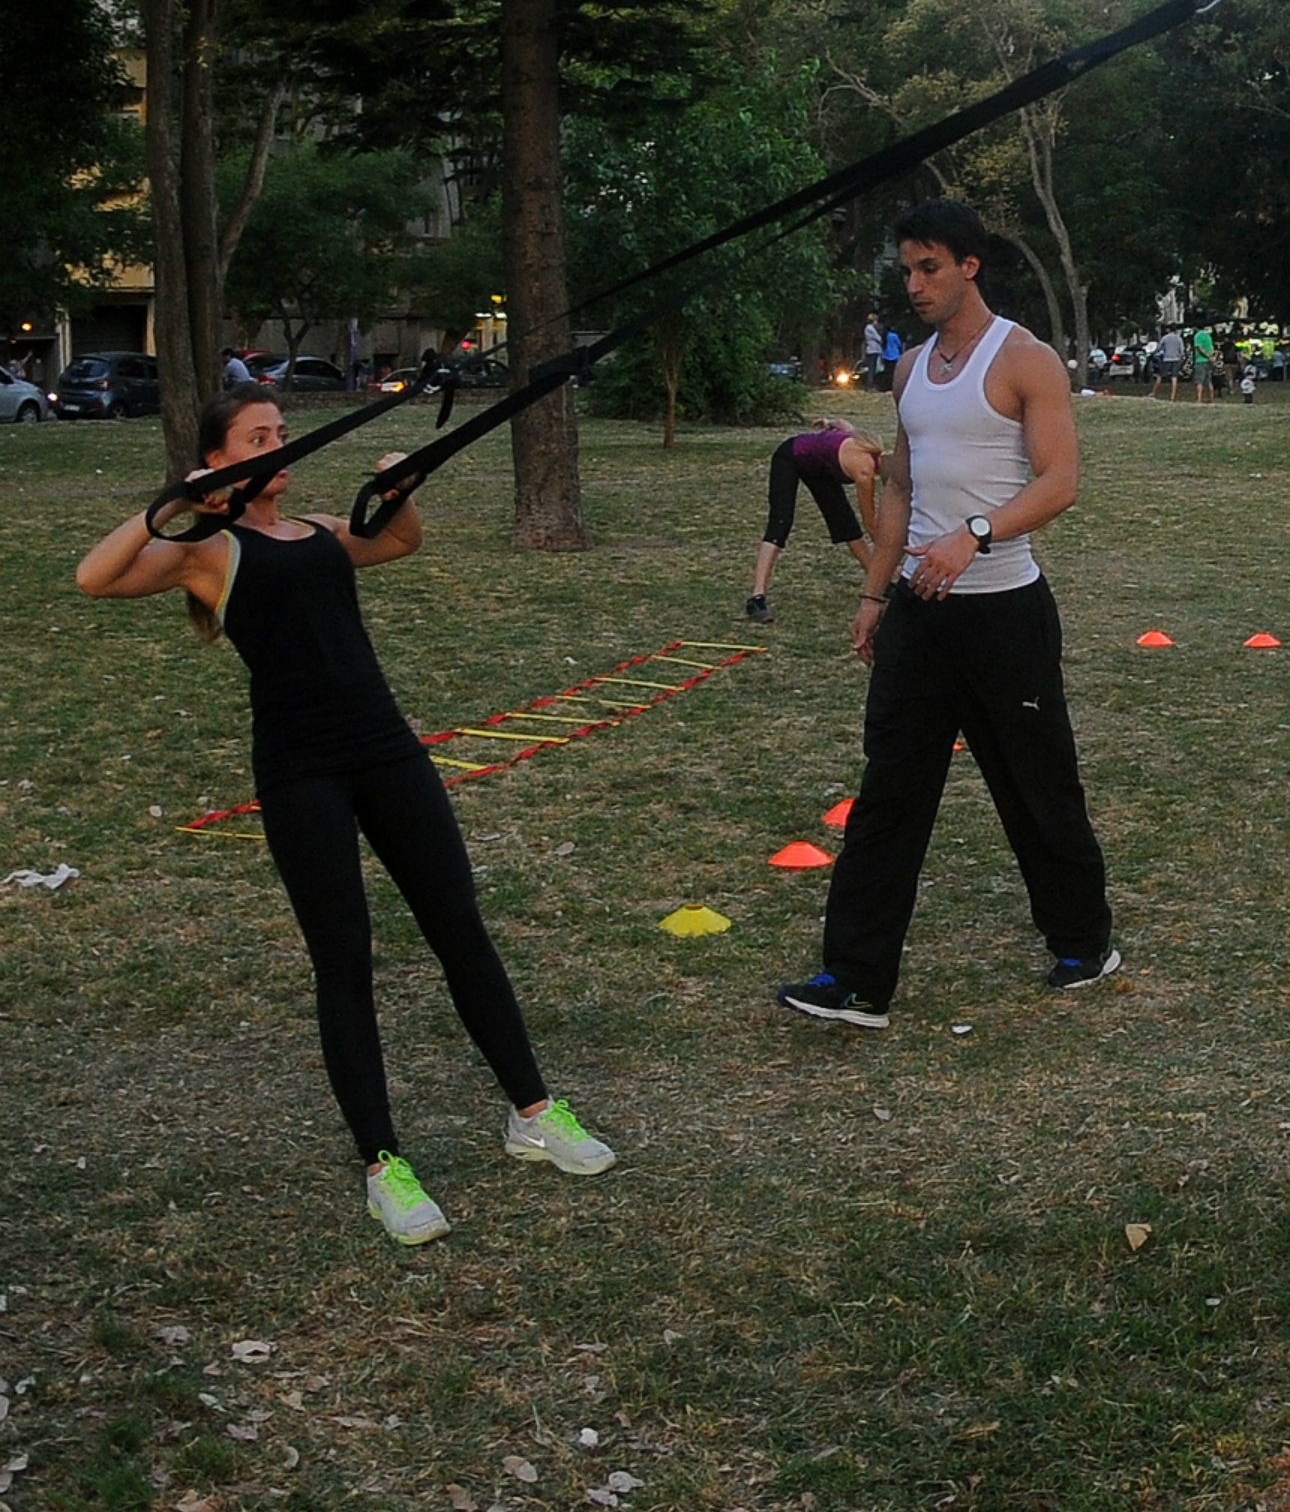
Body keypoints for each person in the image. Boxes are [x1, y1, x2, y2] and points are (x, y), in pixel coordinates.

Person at [74, 388, 615, 1245]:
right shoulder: (206, 552)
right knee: (345, 962)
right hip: (302, 772)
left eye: (281, 434)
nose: (277, 447)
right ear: (219, 461)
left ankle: (534, 1113)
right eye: (257, 438)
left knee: (461, 931)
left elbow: (397, 540)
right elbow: (94, 577)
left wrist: (400, 491)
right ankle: (382, 1165)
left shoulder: (321, 530)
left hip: (389, 752)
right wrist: (172, 504)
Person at [776, 198, 1117, 1027]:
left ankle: (1083, 941)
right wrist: (874, 592)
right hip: (919, 617)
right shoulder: (909, 371)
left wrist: (976, 533)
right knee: (889, 792)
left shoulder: (1024, 359)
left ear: (970, 265)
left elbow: (1060, 481)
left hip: (1005, 614)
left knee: (1036, 786)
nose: (916, 284)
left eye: (929, 267)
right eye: (907, 271)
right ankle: (856, 977)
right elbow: (899, 485)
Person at [746, 417, 884, 624]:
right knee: (780, 523)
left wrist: (829, 423)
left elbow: (843, 424)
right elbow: (870, 522)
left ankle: (879, 582)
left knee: (846, 524)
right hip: (790, 456)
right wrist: (888, 561)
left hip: (820, 469)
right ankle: (757, 598)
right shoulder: (865, 472)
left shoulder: (867, 444)